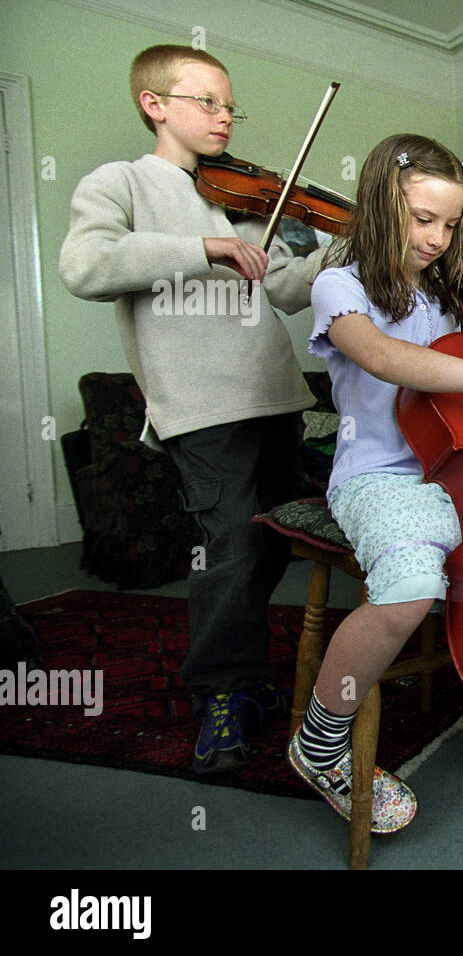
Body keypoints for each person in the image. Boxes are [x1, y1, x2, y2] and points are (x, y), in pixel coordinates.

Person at [59, 45, 328, 774]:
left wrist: (343, 253)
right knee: (231, 549)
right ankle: (221, 692)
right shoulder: (121, 183)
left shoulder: (243, 196)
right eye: (205, 101)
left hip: (273, 395)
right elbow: (85, 264)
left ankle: (243, 676)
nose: (223, 116)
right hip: (201, 406)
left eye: (228, 105)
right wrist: (201, 245)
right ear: (155, 104)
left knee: (272, 541)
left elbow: (284, 289)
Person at [293, 134, 463, 831]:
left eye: (450, 225)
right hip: (380, 475)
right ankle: (319, 743)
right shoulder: (340, 283)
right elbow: (390, 360)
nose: (439, 238)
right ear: (383, 207)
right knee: (412, 588)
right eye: (424, 220)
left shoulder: (447, 290)